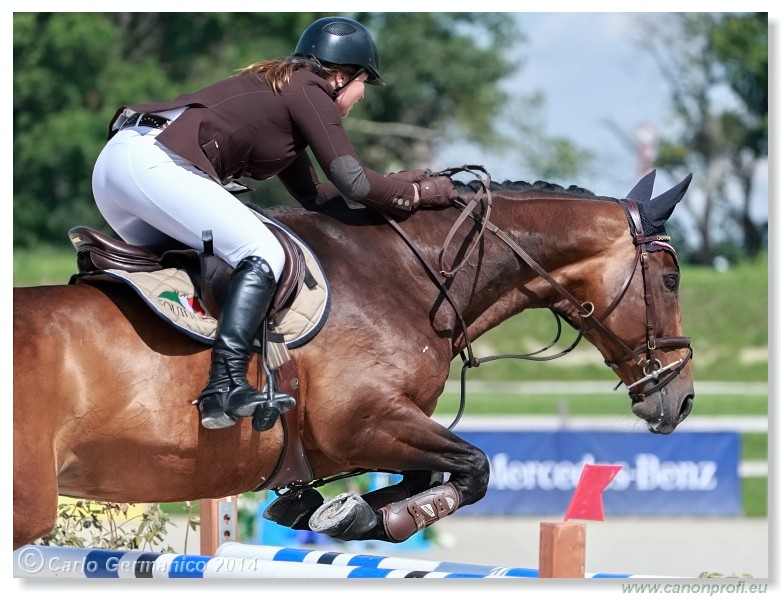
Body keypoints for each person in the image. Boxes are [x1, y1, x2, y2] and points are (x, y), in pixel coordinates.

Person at [91, 16, 457, 432]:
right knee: (263, 252)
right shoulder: (309, 88)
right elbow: (353, 181)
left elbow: (317, 196)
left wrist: (400, 183)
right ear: (339, 76)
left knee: (198, 277)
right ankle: (224, 386)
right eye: (362, 85)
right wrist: (417, 195)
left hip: (118, 170)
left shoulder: (285, 94)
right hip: (154, 164)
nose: (359, 99)